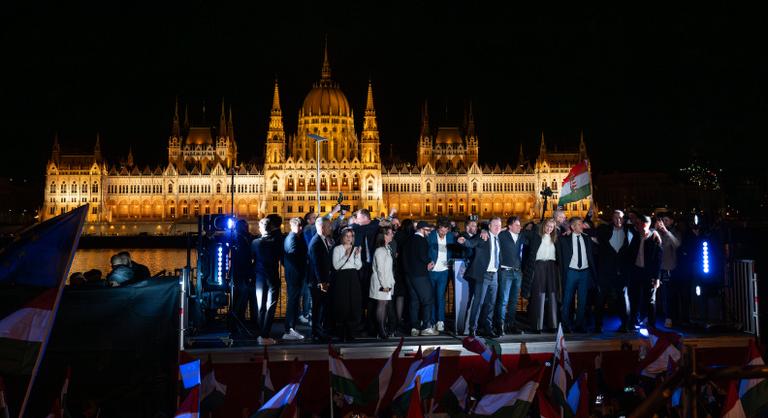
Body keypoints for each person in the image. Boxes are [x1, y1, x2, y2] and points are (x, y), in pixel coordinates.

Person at [458, 217, 502, 338]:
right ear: (489, 226)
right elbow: (472, 243)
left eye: (499, 225)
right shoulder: (483, 236)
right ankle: (473, 329)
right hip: (483, 275)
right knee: (478, 303)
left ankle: (487, 328)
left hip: (495, 275)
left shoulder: (499, 238)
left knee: (491, 304)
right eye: (495, 225)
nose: (497, 227)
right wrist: (464, 241)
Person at [594, 210, 632, 333]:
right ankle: (598, 325)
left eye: (620, 218)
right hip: (605, 272)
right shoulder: (604, 230)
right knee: (600, 299)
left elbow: (646, 229)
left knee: (623, 298)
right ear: (612, 219)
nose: (618, 220)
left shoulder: (629, 231)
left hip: (622, 272)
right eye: (615, 218)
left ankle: (625, 325)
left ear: (624, 219)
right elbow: (590, 230)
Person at [558, 217, 597, 333]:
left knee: (583, 300)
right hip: (571, 272)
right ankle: (565, 325)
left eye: (582, 224)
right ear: (573, 227)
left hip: (584, 272)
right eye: (579, 224)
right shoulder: (564, 239)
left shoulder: (587, 238)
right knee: (567, 299)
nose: (582, 226)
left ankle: (579, 324)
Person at [521, 218, 559, 334]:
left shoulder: (556, 239)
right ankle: (537, 326)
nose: (549, 229)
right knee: (539, 295)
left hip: (552, 266)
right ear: (543, 225)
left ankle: (553, 325)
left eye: (551, 227)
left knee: (553, 295)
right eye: (547, 226)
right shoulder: (536, 235)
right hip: (538, 266)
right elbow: (522, 234)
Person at [251, 214, 284, 345]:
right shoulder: (277, 241)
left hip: (259, 277)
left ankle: (261, 333)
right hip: (273, 276)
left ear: (261, 228)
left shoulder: (255, 243)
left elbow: (252, 258)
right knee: (270, 306)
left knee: (260, 306)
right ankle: (265, 334)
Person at [403, 221, 438, 336]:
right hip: (420, 275)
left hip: (409, 275)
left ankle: (414, 327)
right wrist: (430, 262)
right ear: (422, 229)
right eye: (428, 230)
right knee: (428, 299)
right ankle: (426, 327)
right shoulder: (421, 240)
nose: (429, 232)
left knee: (414, 301)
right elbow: (423, 256)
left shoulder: (408, 240)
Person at [627, 215, 662, 327]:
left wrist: (657, 278)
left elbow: (658, 261)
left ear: (647, 225)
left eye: (643, 225)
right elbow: (631, 254)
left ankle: (652, 325)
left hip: (649, 274)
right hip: (636, 272)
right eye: (639, 224)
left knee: (650, 300)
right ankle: (634, 322)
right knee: (635, 298)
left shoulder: (654, 238)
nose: (641, 227)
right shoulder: (636, 236)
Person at [496, 216, 527, 335]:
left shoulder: (521, 237)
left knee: (514, 301)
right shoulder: (502, 235)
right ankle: (500, 325)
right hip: (505, 272)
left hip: (517, 272)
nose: (520, 227)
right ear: (509, 226)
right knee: (503, 300)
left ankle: (511, 324)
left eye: (520, 225)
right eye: (517, 225)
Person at [332, 227, 363, 341]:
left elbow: (358, 266)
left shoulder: (355, 248)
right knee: (343, 303)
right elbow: (336, 266)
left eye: (351, 236)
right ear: (343, 237)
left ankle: (351, 331)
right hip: (342, 277)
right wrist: (346, 255)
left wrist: (356, 255)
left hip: (353, 276)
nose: (349, 238)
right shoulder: (337, 249)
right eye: (347, 236)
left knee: (353, 303)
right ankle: (341, 331)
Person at [307, 217, 334, 342]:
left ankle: (319, 331)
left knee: (320, 307)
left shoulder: (320, 240)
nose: (331, 228)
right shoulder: (316, 242)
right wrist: (321, 282)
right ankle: (316, 332)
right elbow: (316, 264)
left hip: (320, 280)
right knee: (318, 307)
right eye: (328, 226)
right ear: (322, 227)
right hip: (318, 282)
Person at [427, 217, 454, 332]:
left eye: (445, 231)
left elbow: (452, 250)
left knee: (441, 297)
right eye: (441, 230)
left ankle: (440, 321)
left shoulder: (450, 236)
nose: (443, 233)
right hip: (432, 271)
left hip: (444, 271)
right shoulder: (431, 235)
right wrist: (428, 261)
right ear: (438, 228)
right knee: (432, 297)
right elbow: (426, 250)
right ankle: (432, 322)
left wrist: (450, 262)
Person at [655, 212, 682, 328]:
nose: (664, 223)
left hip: (668, 268)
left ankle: (669, 317)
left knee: (667, 295)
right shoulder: (657, 232)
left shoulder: (675, 232)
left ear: (671, 221)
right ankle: (651, 317)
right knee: (653, 294)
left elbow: (677, 244)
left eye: (666, 220)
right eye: (662, 221)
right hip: (656, 267)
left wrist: (666, 232)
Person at [282, 217, 307, 340]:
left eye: (301, 226)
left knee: (294, 302)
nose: (301, 228)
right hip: (294, 275)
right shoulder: (292, 238)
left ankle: (291, 328)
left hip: (295, 275)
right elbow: (293, 258)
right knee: (292, 302)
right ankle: (289, 329)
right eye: (299, 226)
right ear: (293, 226)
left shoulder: (293, 238)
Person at [370, 226, 396, 339]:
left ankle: (382, 330)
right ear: (384, 235)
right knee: (381, 305)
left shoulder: (386, 248)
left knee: (384, 305)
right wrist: (385, 285)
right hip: (381, 282)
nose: (392, 235)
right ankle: (380, 331)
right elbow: (380, 269)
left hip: (386, 281)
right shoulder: (380, 250)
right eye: (390, 233)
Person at [230, 219, 255, 335]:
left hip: (239, 272)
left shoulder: (237, 238)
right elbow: (243, 257)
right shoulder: (240, 239)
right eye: (245, 226)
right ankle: (237, 323)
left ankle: (238, 322)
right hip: (242, 272)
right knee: (241, 299)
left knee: (239, 299)